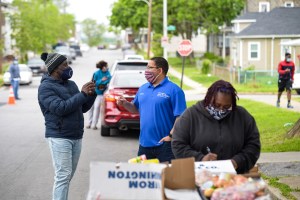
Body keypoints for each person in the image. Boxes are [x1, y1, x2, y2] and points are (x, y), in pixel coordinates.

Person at [38, 52, 96, 200]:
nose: (68, 67)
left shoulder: (71, 84)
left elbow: (81, 108)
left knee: (67, 175)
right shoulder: (45, 88)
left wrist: (91, 94)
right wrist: (82, 94)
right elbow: (61, 108)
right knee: (63, 175)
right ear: (55, 68)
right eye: (65, 64)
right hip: (59, 136)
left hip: (76, 135)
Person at [171, 80, 261, 174]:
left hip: (234, 178)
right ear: (208, 98)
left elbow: (253, 145)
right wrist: (200, 158)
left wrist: (237, 161)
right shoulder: (190, 115)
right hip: (199, 176)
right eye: (217, 105)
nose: (221, 110)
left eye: (226, 107)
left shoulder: (242, 116)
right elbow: (178, 144)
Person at [117, 57, 186, 163]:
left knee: (166, 178)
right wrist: (125, 103)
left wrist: (171, 136)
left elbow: (181, 116)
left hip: (165, 145)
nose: (146, 70)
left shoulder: (175, 90)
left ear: (160, 70)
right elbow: (135, 108)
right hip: (144, 145)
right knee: (144, 178)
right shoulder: (143, 88)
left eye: (149, 67)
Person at [86, 60, 111, 130]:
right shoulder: (96, 73)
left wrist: (101, 82)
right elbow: (93, 83)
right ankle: (89, 123)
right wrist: (101, 80)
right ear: (102, 67)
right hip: (93, 93)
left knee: (97, 108)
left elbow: (109, 81)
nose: (107, 67)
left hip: (101, 94)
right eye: (106, 66)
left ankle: (94, 124)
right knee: (91, 108)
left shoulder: (108, 73)